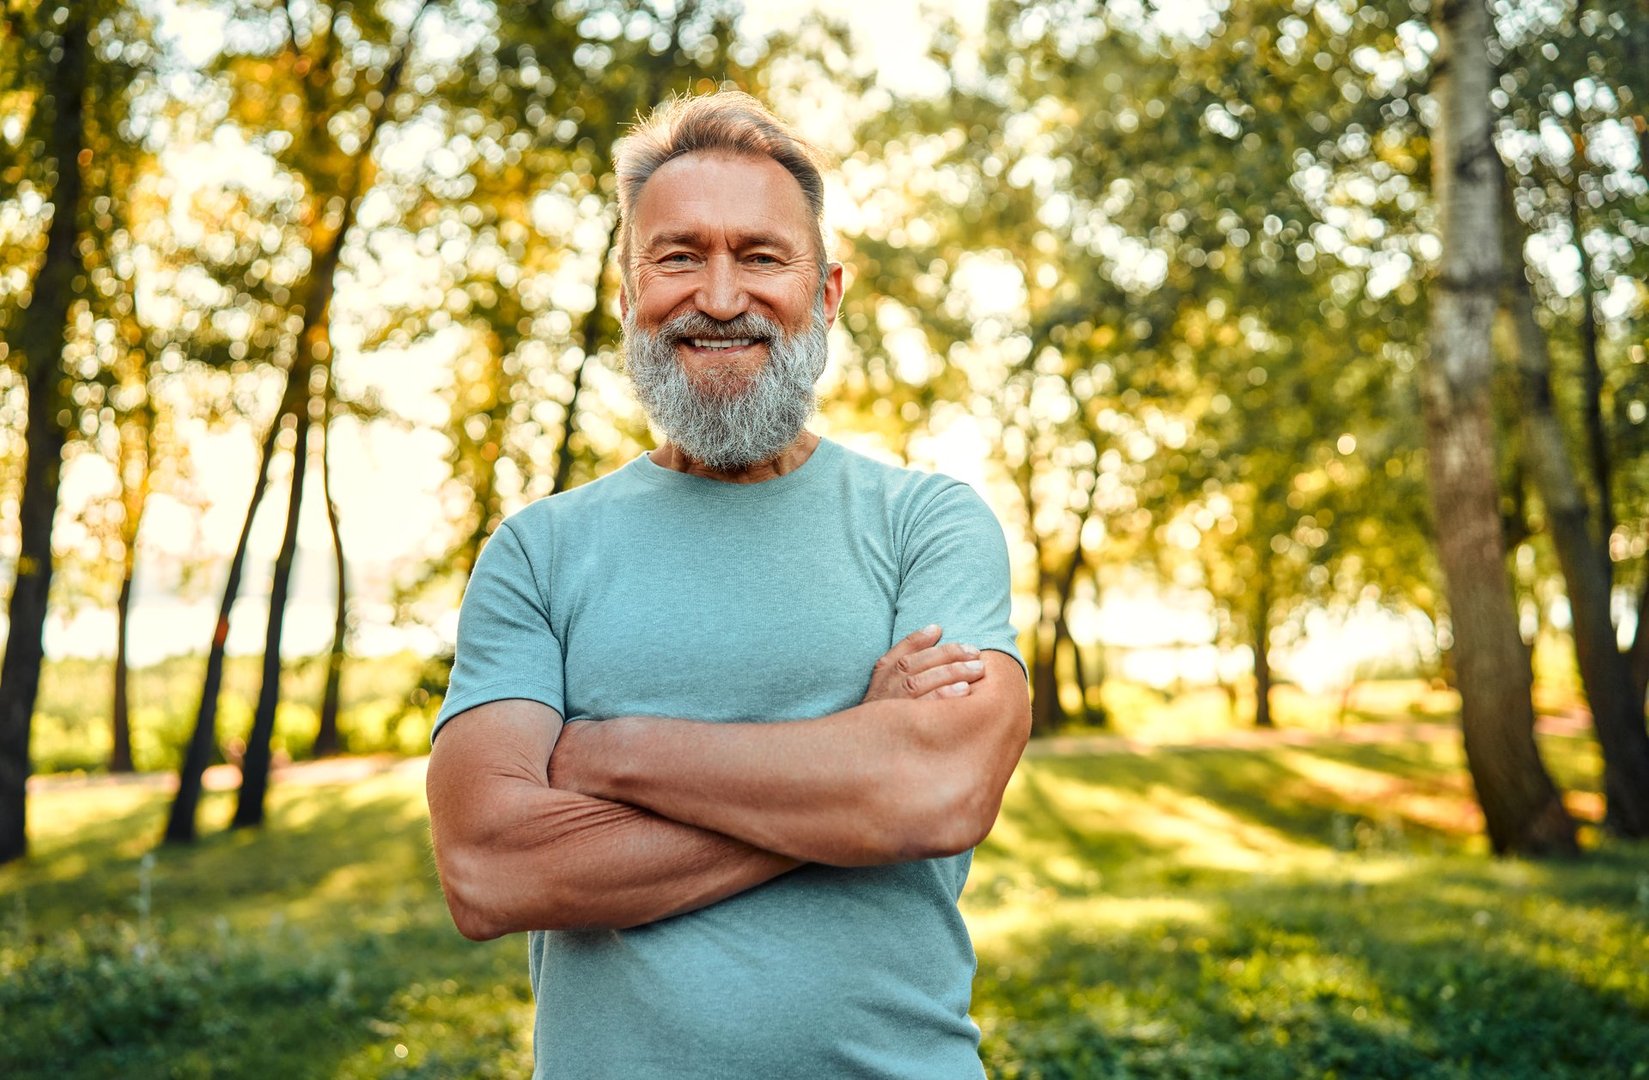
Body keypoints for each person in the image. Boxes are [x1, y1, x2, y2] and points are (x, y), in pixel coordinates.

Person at [425, 90, 1030, 1080]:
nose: (716, 297)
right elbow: (489, 869)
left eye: (759, 256)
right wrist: (852, 777)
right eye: (677, 257)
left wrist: (611, 753)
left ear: (824, 293)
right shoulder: (538, 551)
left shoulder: (927, 522)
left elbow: (937, 791)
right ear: (626, 293)